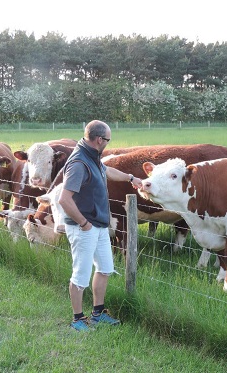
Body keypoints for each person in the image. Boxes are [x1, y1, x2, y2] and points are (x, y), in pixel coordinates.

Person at [59, 119, 143, 331]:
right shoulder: (79, 163)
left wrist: (132, 178)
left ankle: (97, 313)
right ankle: (77, 320)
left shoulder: (92, 156)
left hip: (98, 224)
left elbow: (108, 171)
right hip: (84, 226)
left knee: (105, 268)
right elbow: (64, 199)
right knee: (80, 275)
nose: (108, 142)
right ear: (99, 140)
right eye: (108, 139)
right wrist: (84, 223)